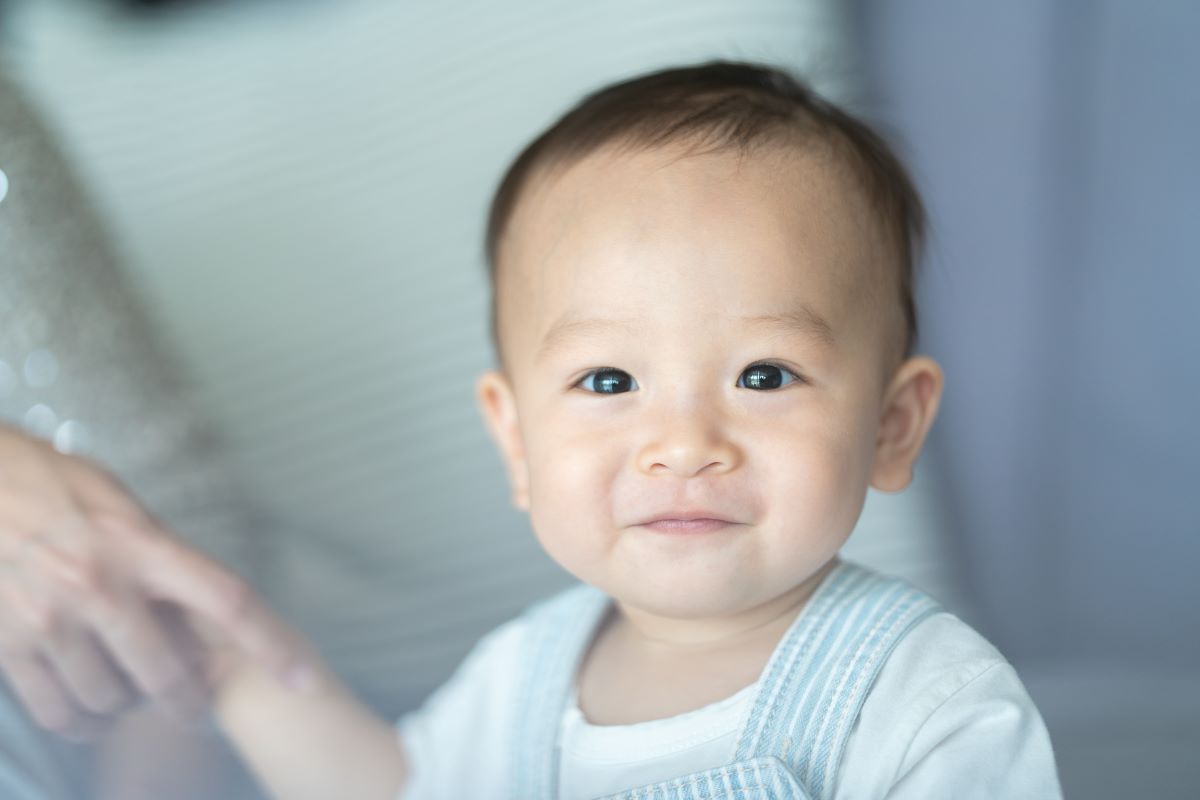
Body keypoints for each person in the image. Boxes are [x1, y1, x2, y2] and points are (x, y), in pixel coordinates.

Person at [199, 60, 1062, 798]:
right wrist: (238, 672)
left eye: (763, 375)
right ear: (516, 441)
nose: (684, 445)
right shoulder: (520, 676)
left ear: (891, 426)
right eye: (607, 380)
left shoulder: (921, 695)